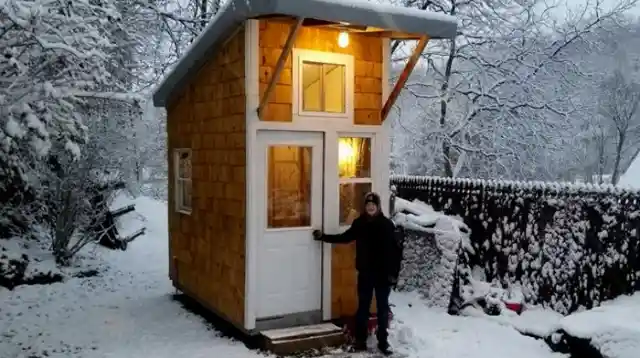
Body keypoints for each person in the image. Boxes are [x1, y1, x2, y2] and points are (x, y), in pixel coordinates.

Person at [313, 192, 402, 356]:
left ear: (378, 206)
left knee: (382, 309)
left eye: (373, 205)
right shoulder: (359, 224)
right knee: (363, 308)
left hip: (383, 276)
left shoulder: (387, 225)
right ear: (365, 207)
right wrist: (323, 237)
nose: (370, 207)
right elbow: (345, 237)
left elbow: (395, 253)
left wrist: (393, 275)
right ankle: (360, 340)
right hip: (366, 274)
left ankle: (383, 342)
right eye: (368, 205)